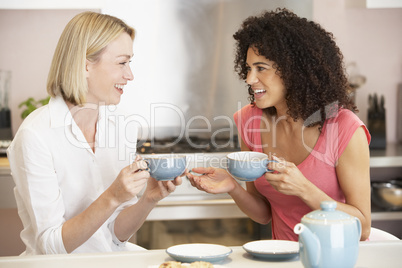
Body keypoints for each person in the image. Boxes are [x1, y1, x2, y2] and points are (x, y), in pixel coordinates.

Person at [187, 8, 371, 241]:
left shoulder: (344, 128)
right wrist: (232, 187)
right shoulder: (250, 121)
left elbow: (363, 227)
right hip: (281, 259)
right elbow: (264, 214)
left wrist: (304, 188)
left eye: (260, 68)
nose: (249, 79)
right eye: (248, 68)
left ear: (295, 71)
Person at [7, 11, 182, 255]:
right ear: (85, 65)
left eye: (129, 62)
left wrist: (148, 200)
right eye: (122, 62)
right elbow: (52, 247)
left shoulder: (121, 126)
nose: (130, 75)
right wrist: (112, 196)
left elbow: (116, 235)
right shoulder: (35, 136)